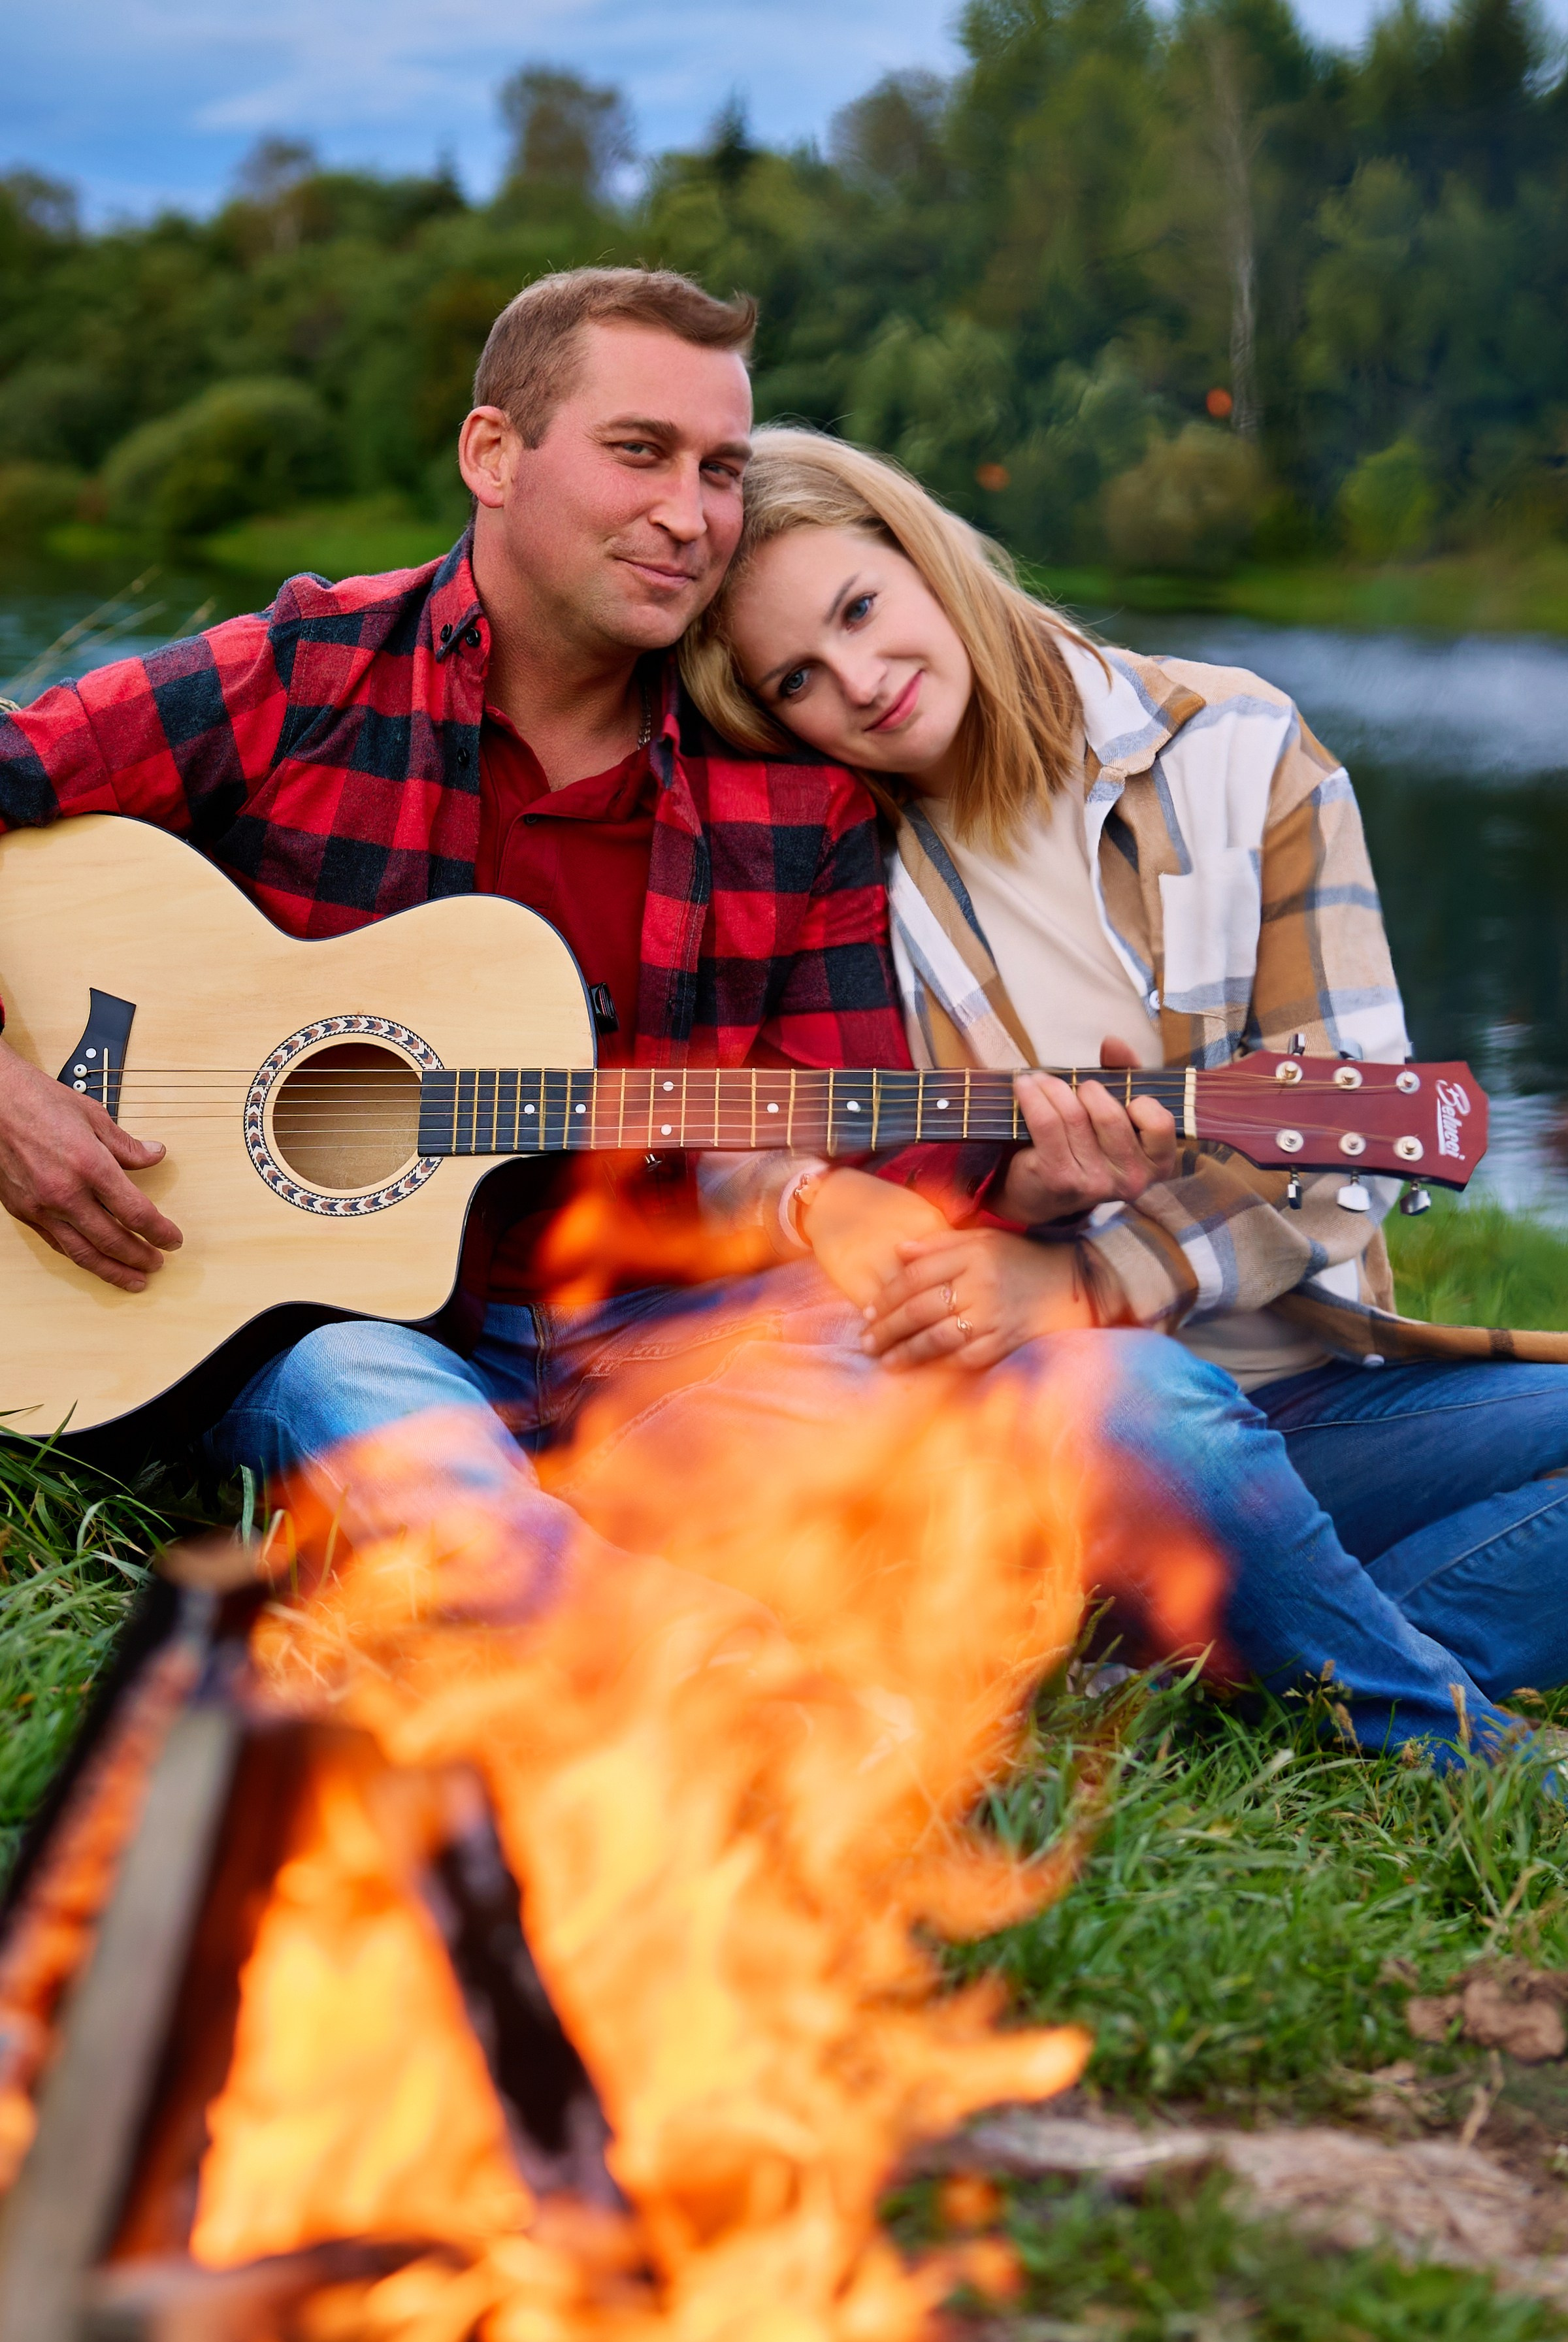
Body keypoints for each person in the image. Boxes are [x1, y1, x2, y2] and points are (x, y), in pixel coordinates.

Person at [0, 267, 1173, 1587]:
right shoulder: (308, 674)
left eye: (722, 468)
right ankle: (680, 1662)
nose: (689, 515)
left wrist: (1030, 1178)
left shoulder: (794, 796)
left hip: (657, 1339)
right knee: (362, 1387)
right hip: (334, 1337)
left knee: (939, 1423)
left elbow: (854, 1143)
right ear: (495, 454)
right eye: (639, 453)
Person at [678, 424, 1568, 1763]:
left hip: (1323, 1388)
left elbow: (1351, 1158)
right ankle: (1453, 1740)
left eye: (862, 608)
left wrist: (1094, 1277)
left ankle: (1248, 1663)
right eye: (797, 676)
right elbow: (737, 1140)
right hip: (1069, 1438)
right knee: (1151, 1404)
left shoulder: (1239, 748)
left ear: (924, 552)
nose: (860, 683)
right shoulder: (828, 859)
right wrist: (1012, 1210)